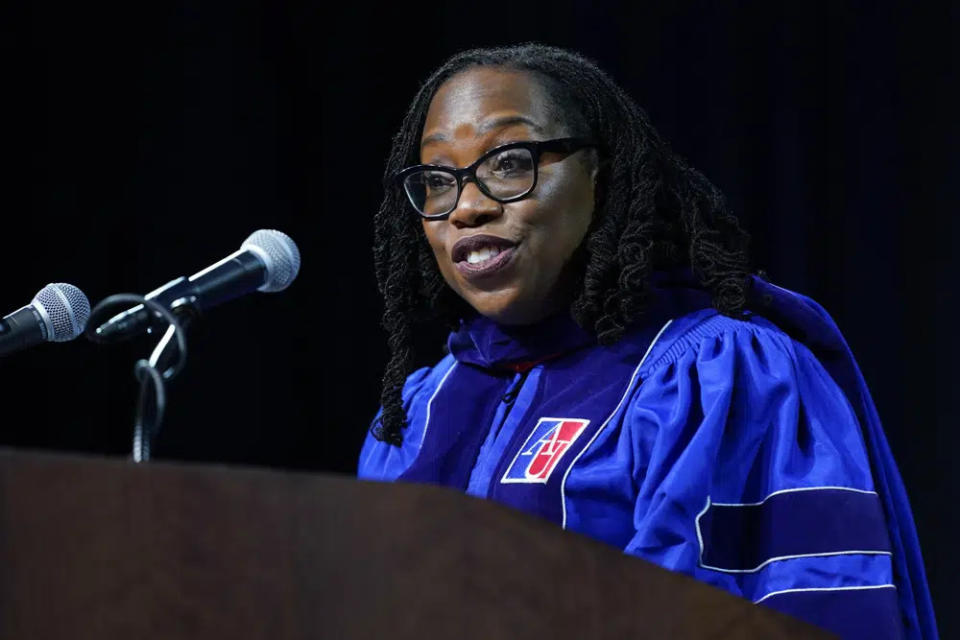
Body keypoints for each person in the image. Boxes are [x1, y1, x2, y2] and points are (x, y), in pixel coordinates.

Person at [356, 43, 937, 639]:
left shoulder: (717, 374)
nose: (467, 207)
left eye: (508, 161)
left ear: (598, 175)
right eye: (436, 179)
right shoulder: (416, 413)